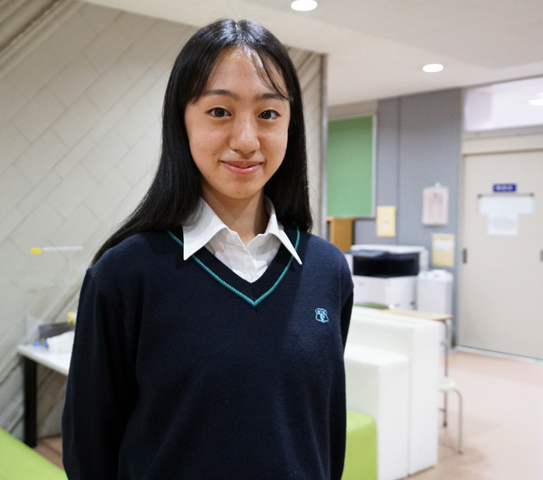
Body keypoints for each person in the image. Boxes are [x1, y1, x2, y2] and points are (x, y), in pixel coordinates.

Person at [62, 18, 354, 480]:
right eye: (220, 111)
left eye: (268, 114)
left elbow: (325, 430)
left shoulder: (327, 270)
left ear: (291, 126)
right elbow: (89, 451)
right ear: (182, 121)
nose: (246, 140)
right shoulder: (124, 274)